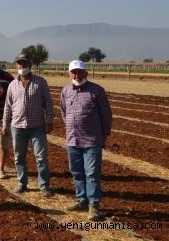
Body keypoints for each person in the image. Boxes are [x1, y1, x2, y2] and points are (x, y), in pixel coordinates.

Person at [60, 60, 113, 221]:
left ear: (86, 73)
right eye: (73, 72)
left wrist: (103, 136)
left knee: (92, 174)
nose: (77, 75)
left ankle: (94, 206)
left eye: (80, 72)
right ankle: (81, 200)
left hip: (92, 140)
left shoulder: (97, 91)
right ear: (69, 74)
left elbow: (106, 115)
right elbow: (63, 112)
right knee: (76, 172)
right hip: (72, 139)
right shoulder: (65, 91)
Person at [2, 53, 55, 196]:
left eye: (24, 64)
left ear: (30, 64)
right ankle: (22, 182)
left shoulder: (40, 82)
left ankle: (44, 186)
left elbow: (48, 104)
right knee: (19, 156)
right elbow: (8, 106)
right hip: (17, 126)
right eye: (19, 63)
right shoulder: (12, 84)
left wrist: (49, 121)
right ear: (16, 66)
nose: (22, 66)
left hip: (37, 126)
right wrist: (5, 124)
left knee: (41, 157)